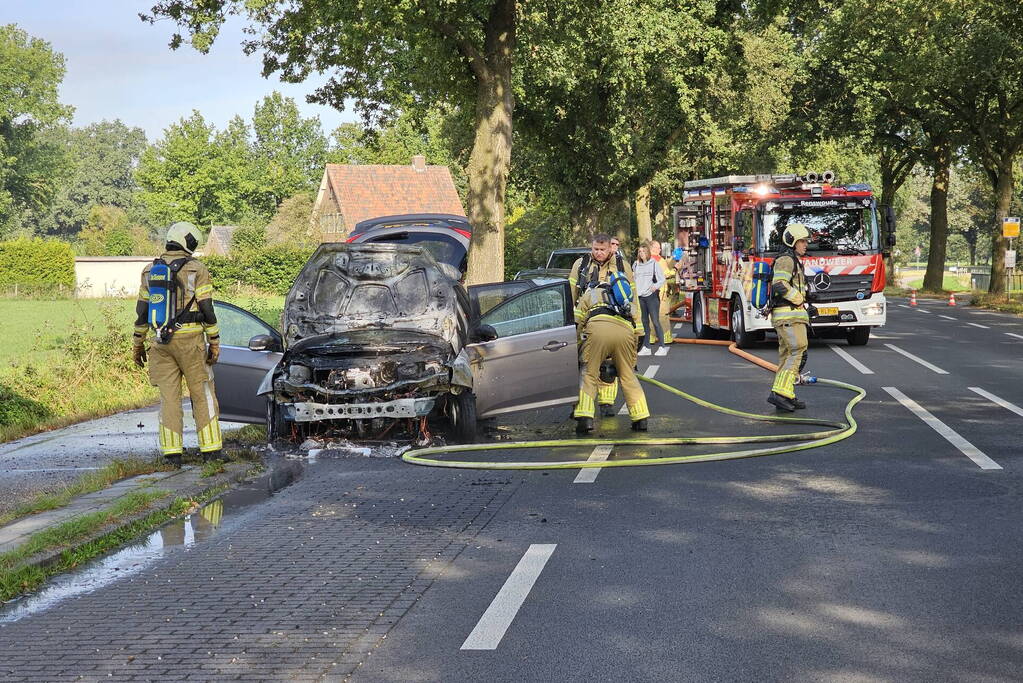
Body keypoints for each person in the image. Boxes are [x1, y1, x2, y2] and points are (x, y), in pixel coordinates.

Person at [132, 222, 224, 467]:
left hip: (160, 344)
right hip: (191, 342)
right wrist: (214, 340)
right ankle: (211, 451)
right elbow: (207, 308)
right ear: (187, 242)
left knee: (169, 399)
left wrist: (137, 344)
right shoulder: (196, 269)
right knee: (202, 394)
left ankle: (172, 454)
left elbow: (142, 312)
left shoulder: (149, 271)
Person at [569, 234, 635, 416]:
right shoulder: (581, 265)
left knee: (609, 365)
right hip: (586, 320)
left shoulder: (622, 266)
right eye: (595, 249)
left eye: (602, 250)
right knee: (584, 365)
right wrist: (570, 323)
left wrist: (638, 328)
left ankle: (606, 404)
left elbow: (632, 298)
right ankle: (579, 406)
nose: (598, 253)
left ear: (610, 248)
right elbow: (572, 293)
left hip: (616, 319)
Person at [573, 276, 648, 433]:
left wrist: (579, 348)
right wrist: (631, 361)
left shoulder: (590, 295)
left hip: (597, 330)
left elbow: (577, 323)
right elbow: (640, 333)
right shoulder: (627, 303)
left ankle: (585, 419)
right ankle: (641, 419)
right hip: (625, 332)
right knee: (628, 377)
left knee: (589, 374)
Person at [768, 223, 812, 412]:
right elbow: (779, 284)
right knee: (797, 351)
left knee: (788, 355)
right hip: (788, 316)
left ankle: (786, 393)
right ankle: (780, 394)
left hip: (791, 316)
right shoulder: (786, 260)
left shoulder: (793, 260)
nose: (805, 245)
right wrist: (799, 298)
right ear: (792, 242)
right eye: (802, 241)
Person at [633, 242, 665, 350]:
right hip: (640, 296)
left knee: (655, 321)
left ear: (647, 252)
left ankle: (662, 346)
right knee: (644, 322)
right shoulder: (636, 264)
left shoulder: (654, 263)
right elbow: (633, 278)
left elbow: (662, 278)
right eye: (640, 252)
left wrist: (655, 286)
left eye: (643, 251)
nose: (641, 254)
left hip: (651, 297)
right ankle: (646, 346)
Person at [648, 240, 675, 344]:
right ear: (652, 248)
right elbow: (666, 273)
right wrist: (676, 269)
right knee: (663, 314)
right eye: (658, 248)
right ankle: (666, 337)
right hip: (660, 292)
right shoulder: (659, 260)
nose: (660, 250)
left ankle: (651, 337)